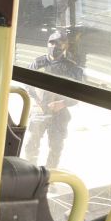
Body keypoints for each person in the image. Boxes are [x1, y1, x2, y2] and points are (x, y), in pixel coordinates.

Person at [24, 31, 83, 169]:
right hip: (39, 111)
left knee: (55, 148)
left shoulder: (72, 68)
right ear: (47, 43)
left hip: (60, 114)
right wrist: (36, 100)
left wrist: (62, 103)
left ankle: (50, 178)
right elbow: (27, 84)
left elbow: (79, 93)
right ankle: (29, 174)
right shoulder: (37, 63)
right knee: (31, 145)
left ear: (66, 46)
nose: (55, 46)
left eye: (59, 43)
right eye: (52, 42)